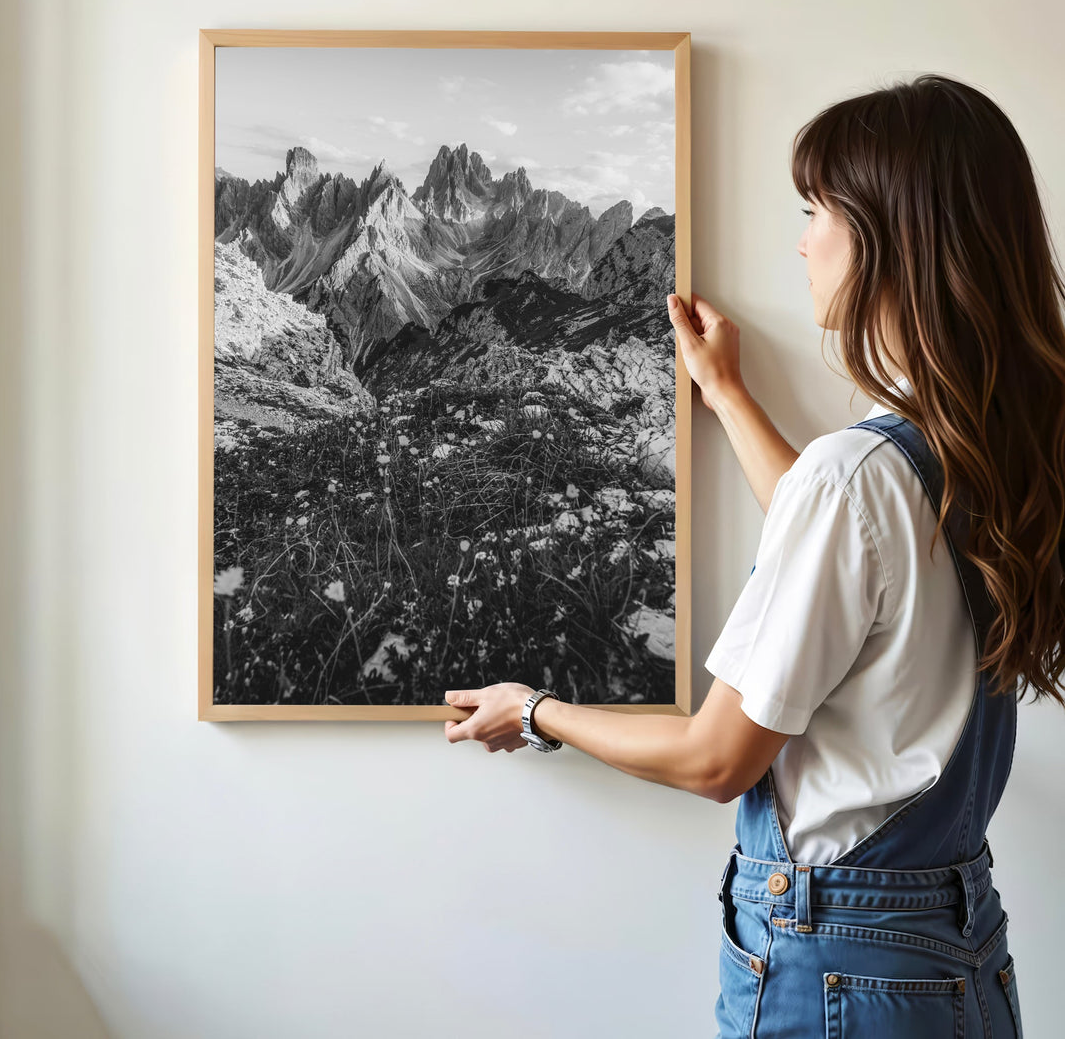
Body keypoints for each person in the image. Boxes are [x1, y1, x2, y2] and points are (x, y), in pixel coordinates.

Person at [442, 73, 1065, 1037]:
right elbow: (854, 562)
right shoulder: (981, 447)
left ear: (890, 239)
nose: (803, 238)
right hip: (952, 951)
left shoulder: (859, 475)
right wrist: (728, 395)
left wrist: (534, 711)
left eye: (817, 210)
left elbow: (715, 758)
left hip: (838, 966)